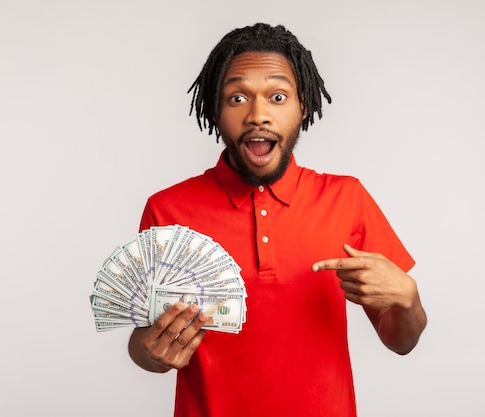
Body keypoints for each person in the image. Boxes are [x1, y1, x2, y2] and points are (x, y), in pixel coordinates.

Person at [128, 22, 427, 417]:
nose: (258, 115)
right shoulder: (168, 210)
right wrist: (150, 353)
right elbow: (142, 343)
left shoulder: (347, 198)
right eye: (237, 98)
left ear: (302, 105)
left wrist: (409, 298)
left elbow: (399, 341)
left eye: (277, 96)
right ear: (215, 110)